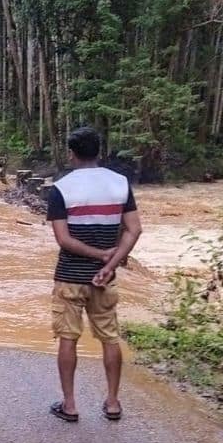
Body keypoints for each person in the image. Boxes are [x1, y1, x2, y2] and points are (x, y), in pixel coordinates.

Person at [46, 127, 142, 423]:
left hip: (70, 275)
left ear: (70, 153)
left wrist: (99, 256)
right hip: (105, 277)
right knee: (109, 338)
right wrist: (109, 262)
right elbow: (134, 229)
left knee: (67, 338)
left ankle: (70, 404)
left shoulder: (61, 188)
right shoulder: (120, 183)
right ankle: (112, 402)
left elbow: (64, 239)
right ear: (99, 151)